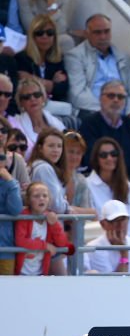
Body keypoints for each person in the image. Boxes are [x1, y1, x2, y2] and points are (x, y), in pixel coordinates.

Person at [79, 80, 130, 214]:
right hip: (102, 178)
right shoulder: (89, 123)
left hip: (128, 177)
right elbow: (91, 156)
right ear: (101, 98)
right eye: (111, 96)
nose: (116, 100)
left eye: (120, 97)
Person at [65, 13, 130, 112]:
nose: (103, 37)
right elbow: (77, 94)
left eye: (107, 31)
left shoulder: (123, 57)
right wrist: (106, 111)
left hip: (122, 110)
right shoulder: (75, 57)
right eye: (97, 32)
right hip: (92, 111)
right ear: (87, 34)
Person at [85, 137, 130, 239]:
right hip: (99, 243)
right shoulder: (87, 185)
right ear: (96, 159)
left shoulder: (128, 186)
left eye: (114, 154)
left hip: (128, 242)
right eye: (103, 155)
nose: (109, 158)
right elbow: (91, 223)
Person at [14, 181, 73, 275]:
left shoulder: (50, 217)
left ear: (49, 200)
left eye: (45, 196)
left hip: (40, 273)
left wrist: (54, 224)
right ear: (28, 200)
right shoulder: (24, 216)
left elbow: (61, 243)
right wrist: (45, 246)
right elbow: (20, 241)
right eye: (36, 196)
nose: (41, 199)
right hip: (21, 272)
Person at [15, 14, 69, 105]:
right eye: (39, 33)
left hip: (55, 107)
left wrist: (33, 79)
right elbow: (25, 88)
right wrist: (52, 83)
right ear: (32, 36)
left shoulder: (58, 59)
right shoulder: (21, 58)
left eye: (50, 33)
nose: (45, 37)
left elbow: (62, 89)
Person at [81, 199, 130, 274]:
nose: (121, 225)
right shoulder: (93, 248)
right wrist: (124, 254)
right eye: (115, 221)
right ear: (103, 224)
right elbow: (113, 283)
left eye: (123, 220)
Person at [9, 77, 64, 156]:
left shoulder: (57, 123)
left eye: (36, 95)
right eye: (27, 97)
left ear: (43, 98)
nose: (32, 99)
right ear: (21, 102)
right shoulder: (14, 124)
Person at [0, 132, 23, 275]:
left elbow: (15, 210)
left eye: (1, 158)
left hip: (5, 249)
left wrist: (11, 182)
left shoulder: (9, 184)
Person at [61, 130, 91, 211]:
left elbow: (89, 212)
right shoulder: (52, 174)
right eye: (71, 152)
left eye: (78, 153)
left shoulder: (81, 180)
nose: (74, 157)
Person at [0, 114, 30, 191]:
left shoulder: (18, 159)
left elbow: (27, 193)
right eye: (13, 148)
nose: (0, 134)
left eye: (3, 131)